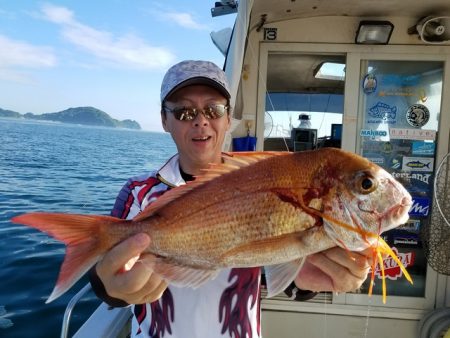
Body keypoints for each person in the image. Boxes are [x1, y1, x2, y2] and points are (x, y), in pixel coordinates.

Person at [89, 60, 372, 338]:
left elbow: (273, 268)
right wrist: (112, 288)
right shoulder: (138, 193)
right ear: (164, 120)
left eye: (213, 109)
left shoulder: (264, 184)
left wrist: (309, 280)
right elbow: (106, 278)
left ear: (228, 119)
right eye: (184, 112)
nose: (201, 120)